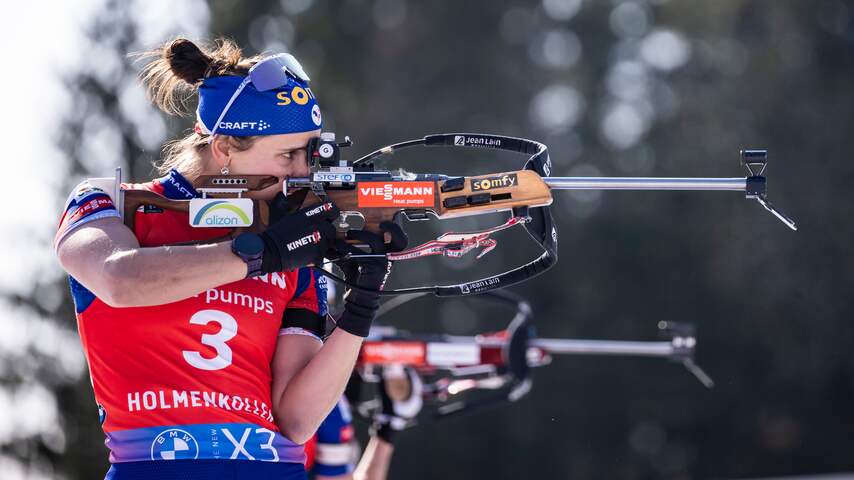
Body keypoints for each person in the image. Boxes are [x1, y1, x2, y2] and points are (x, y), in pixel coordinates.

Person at [54, 37, 394, 480]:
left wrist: (362, 303)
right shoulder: (109, 203)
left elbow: (297, 418)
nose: (302, 172)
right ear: (224, 149)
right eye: (287, 155)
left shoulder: (293, 239)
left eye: (309, 154)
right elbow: (120, 279)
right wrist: (261, 254)